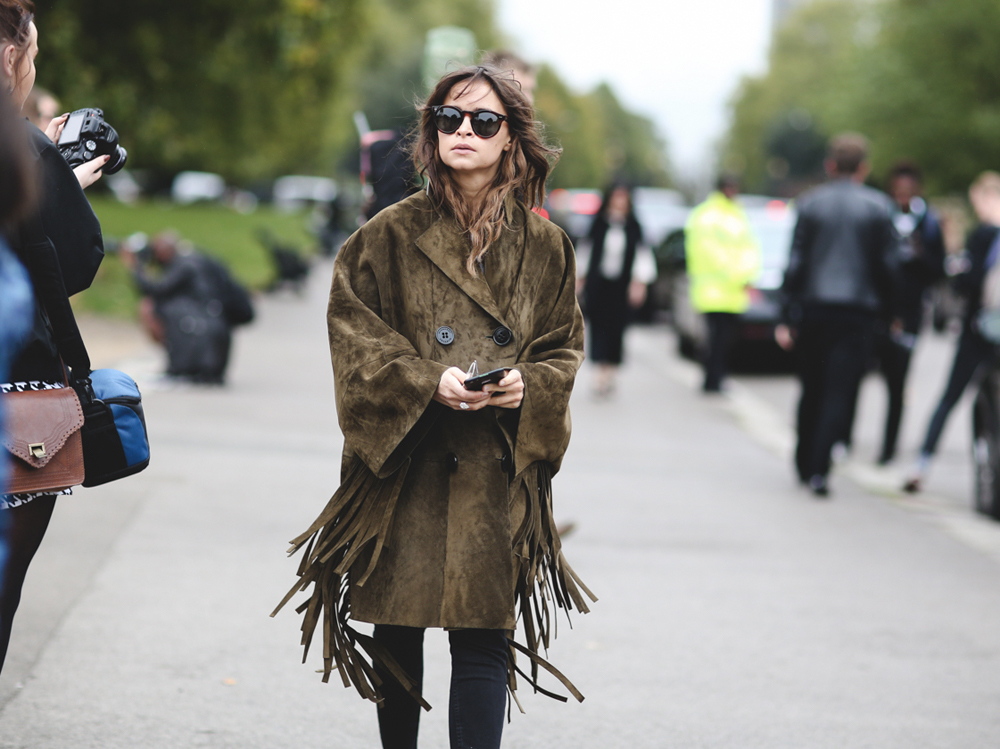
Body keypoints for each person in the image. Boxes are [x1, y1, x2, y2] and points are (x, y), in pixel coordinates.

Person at [272, 65, 594, 749]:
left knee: (484, 637)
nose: (463, 131)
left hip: (493, 467)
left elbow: (564, 349)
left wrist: (526, 386)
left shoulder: (546, 247)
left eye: (484, 120)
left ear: (511, 139)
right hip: (406, 465)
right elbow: (353, 338)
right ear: (432, 133)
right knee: (399, 626)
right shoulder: (386, 235)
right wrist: (425, 381)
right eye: (449, 118)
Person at [1, 0, 107, 671]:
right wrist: (62, 181)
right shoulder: (22, 148)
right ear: (10, 55)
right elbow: (72, 263)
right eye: (33, 56)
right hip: (17, 410)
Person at [776, 133, 897, 497]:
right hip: (857, 312)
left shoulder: (811, 203)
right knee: (839, 391)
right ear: (864, 168)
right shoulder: (879, 207)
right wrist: (890, 311)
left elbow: (796, 262)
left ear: (830, 165)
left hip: (815, 308)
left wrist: (786, 312)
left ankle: (804, 460)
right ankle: (820, 467)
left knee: (811, 386)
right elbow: (888, 267)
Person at [903, 172, 1000, 493]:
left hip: (978, 330)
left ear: (985, 197)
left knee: (950, 397)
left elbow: (967, 283)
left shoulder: (983, 235)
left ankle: (922, 464)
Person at [873, 162, 945, 464]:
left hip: (911, 313)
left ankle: (889, 447)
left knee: (898, 381)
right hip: (879, 312)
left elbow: (938, 270)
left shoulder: (928, 223)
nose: (902, 195)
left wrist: (920, 255)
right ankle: (843, 439)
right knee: (863, 375)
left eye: (908, 190)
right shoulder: (881, 217)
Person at [121, 232, 235, 385]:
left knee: (148, 307)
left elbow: (155, 290)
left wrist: (136, 267)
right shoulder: (194, 260)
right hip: (211, 320)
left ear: (166, 250)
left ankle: (181, 364)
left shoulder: (185, 265)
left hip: (198, 323)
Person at [575, 183, 656, 397]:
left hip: (622, 287)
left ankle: (611, 371)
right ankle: (599, 373)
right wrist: (579, 280)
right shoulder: (598, 224)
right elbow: (585, 252)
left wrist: (639, 284)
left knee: (617, 329)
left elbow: (642, 256)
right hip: (599, 284)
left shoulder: (634, 227)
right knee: (598, 327)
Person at [684, 174, 762, 392]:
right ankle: (712, 379)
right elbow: (709, 252)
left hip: (732, 292)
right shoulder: (709, 215)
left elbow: (749, 247)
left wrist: (747, 275)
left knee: (724, 339)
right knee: (715, 339)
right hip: (714, 290)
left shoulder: (735, 214)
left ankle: (717, 377)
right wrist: (739, 276)